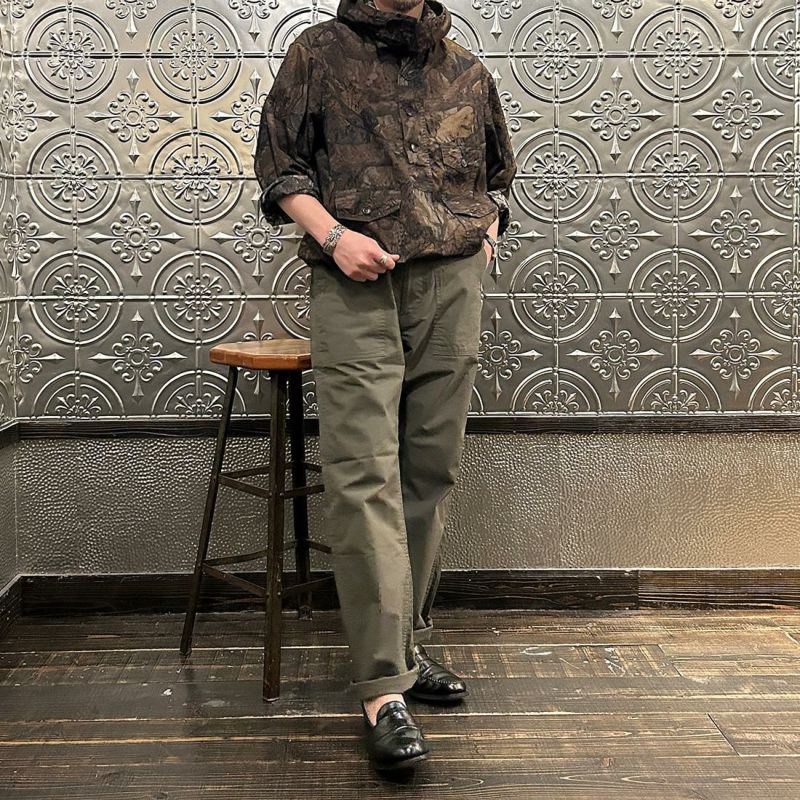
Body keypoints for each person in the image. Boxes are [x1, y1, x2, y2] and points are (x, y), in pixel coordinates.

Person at [254, 0, 516, 772]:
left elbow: (496, 178)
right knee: (362, 471)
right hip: (355, 285)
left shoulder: (465, 69)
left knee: (429, 469)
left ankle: (404, 647)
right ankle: (381, 690)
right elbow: (281, 168)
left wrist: (485, 239)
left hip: (451, 284)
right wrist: (333, 236)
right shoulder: (316, 53)